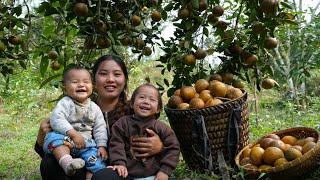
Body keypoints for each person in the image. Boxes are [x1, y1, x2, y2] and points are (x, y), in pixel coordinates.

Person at [34, 55, 164, 180]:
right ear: (94, 81)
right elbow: (53, 147)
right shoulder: (75, 107)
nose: (110, 79)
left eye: (117, 74)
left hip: (122, 171)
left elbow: (164, 139)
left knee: (103, 176)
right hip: (84, 161)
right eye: (103, 73)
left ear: (125, 81)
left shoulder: (135, 110)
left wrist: (160, 147)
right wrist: (41, 138)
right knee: (49, 163)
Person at [42, 66, 108, 178]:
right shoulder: (65, 103)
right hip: (64, 139)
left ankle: (90, 176)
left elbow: (100, 128)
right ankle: (67, 163)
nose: (81, 85)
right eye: (75, 82)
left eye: (86, 82)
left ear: (92, 86)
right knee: (54, 140)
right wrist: (73, 134)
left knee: (97, 163)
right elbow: (57, 119)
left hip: (86, 145)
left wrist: (102, 146)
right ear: (65, 88)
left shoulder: (95, 108)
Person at [108, 83, 180, 180]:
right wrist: (119, 163)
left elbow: (173, 147)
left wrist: (165, 171)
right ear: (132, 104)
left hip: (153, 175)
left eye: (152, 99)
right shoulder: (122, 124)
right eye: (142, 97)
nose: (146, 101)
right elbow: (116, 144)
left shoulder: (162, 128)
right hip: (126, 174)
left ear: (158, 109)